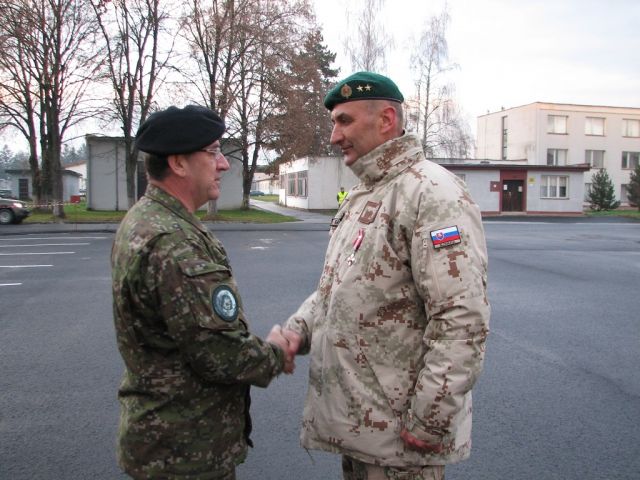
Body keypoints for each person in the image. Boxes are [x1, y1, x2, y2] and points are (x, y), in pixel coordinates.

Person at [282, 72, 490, 479]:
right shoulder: (365, 194)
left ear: (386, 120)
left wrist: (429, 418)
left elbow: (462, 318)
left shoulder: (432, 193)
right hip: (364, 429)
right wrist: (297, 330)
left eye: (344, 121)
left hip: (401, 442)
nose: (334, 136)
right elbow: (336, 289)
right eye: (333, 123)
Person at [111, 105, 298, 479]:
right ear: (179, 163)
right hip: (183, 452)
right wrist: (277, 352)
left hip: (167, 441)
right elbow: (221, 354)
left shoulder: (148, 218)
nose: (223, 164)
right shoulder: (173, 241)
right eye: (213, 152)